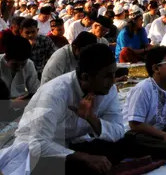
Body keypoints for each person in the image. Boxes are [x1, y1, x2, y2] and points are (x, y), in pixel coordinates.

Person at [17, 44, 125, 175]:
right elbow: (37, 144)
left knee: (123, 145)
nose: (113, 81)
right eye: (107, 76)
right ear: (85, 77)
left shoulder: (108, 89)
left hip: (72, 143)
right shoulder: (54, 93)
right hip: (38, 150)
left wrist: (91, 118)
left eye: (114, 74)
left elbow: (119, 130)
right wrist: (85, 158)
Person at [0, 35, 39, 106]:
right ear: (6, 58)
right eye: (15, 64)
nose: (19, 68)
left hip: (21, 107)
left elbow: (35, 91)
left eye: (23, 64)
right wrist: (11, 103)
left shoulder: (29, 64)